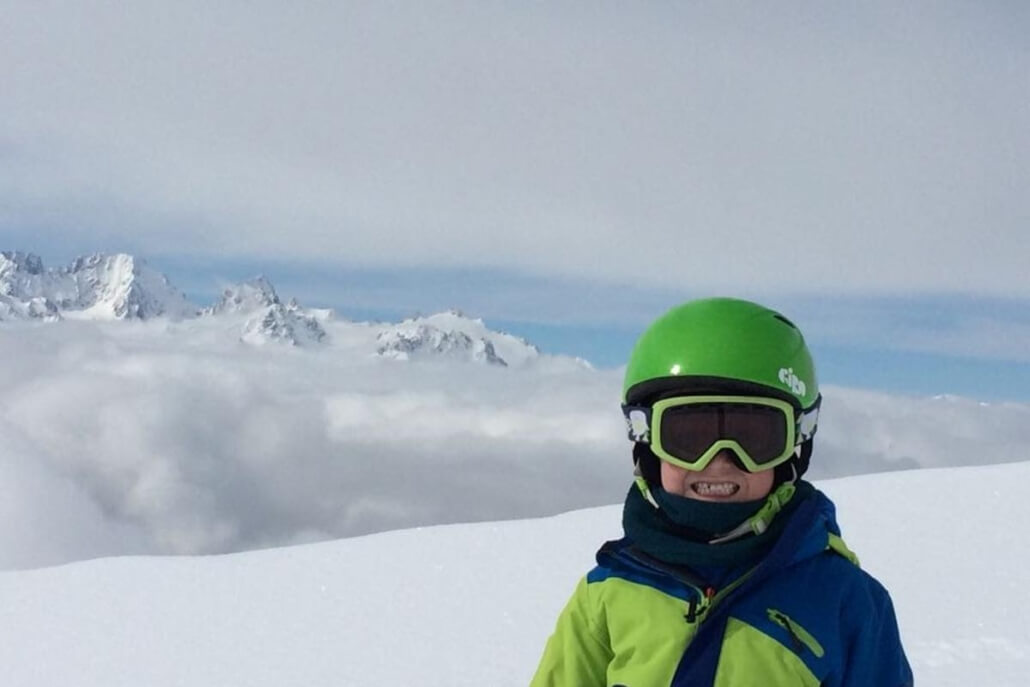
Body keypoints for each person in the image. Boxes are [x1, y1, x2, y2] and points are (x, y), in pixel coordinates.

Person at [530, 297, 912, 686]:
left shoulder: (845, 601)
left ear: (792, 449)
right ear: (647, 445)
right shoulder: (608, 594)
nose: (719, 461)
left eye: (754, 438)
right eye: (688, 437)